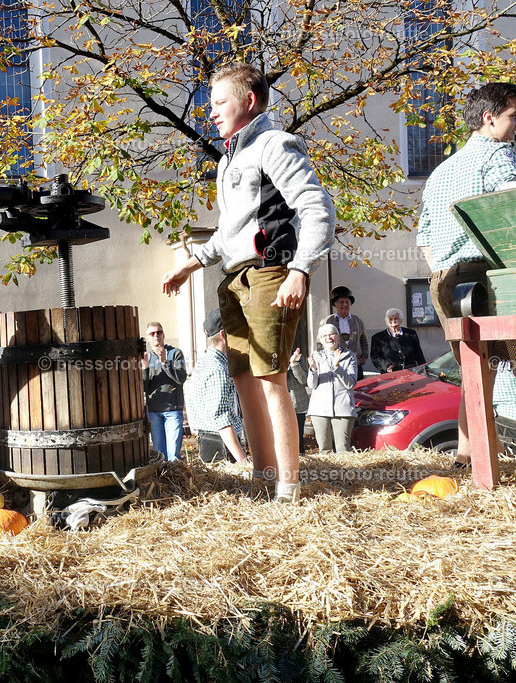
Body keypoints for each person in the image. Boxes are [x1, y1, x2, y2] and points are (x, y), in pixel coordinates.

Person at [161, 63, 334, 502]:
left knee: (271, 377)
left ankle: (289, 488)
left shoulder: (275, 144)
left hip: (270, 272)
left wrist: (300, 270)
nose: (211, 112)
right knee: (243, 379)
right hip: (234, 277)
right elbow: (229, 231)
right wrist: (191, 263)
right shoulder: (229, 159)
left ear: (249, 101)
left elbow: (317, 208)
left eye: (220, 102)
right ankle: (262, 478)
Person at [416, 82, 516, 467]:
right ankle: (482, 459)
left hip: (444, 279)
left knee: (473, 373)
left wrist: (445, 270)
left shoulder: (440, 171)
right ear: (489, 117)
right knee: (487, 371)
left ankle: (468, 456)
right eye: (514, 114)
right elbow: (510, 201)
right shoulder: (497, 152)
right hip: (480, 277)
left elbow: (425, 237)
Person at [183, 310, 248, 465]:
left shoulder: (205, 362)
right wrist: (242, 460)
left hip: (211, 441)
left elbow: (188, 391)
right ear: (223, 335)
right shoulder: (218, 369)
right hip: (220, 446)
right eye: (236, 330)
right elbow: (222, 420)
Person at [306, 324, 358, 452]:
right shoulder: (316, 356)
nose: (328, 338)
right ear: (320, 340)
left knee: (343, 449)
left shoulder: (349, 356)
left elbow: (350, 383)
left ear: (338, 337)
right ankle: (327, 473)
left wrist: (337, 367)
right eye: (324, 336)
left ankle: (346, 472)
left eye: (331, 334)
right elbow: (312, 385)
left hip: (343, 408)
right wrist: (313, 369)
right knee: (324, 450)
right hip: (319, 409)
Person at [142, 322, 187, 462]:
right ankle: (162, 482)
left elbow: (181, 378)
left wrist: (164, 362)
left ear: (163, 335)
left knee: (173, 455)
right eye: (152, 333)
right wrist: (145, 369)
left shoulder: (175, 353)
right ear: (148, 338)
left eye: (159, 332)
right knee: (159, 456)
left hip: (173, 411)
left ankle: (176, 482)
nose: (156, 335)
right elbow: (144, 388)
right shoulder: (146, 358)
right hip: (154, 412)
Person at [320, 286, 368, 380]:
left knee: (358, 392)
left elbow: (364, 340)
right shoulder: (327, 321)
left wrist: (365, 356)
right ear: (335, 304)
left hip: (355, 365)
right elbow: (321, 342)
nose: (345, 305)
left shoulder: (357, 321)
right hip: (335, 365)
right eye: (342, 302)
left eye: (347, 302)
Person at [370, 309, 426, 373]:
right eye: (390, 319)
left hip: (410, 372)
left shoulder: (411, 334)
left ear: (401, 320)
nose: (393, 321)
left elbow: (418, 353)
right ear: (387, 322)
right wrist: (386, 366)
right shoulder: (378, 337)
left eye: (396, 318)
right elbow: (375, 357)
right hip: (390, 374)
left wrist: (423, 369)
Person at [286, 345, 310, 456]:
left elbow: (304, 380)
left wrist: (294, 363)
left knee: (298, 436)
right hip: (279, 405)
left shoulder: (299, 358)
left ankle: (300, 461)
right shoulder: (270, 359)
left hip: (297, 405)